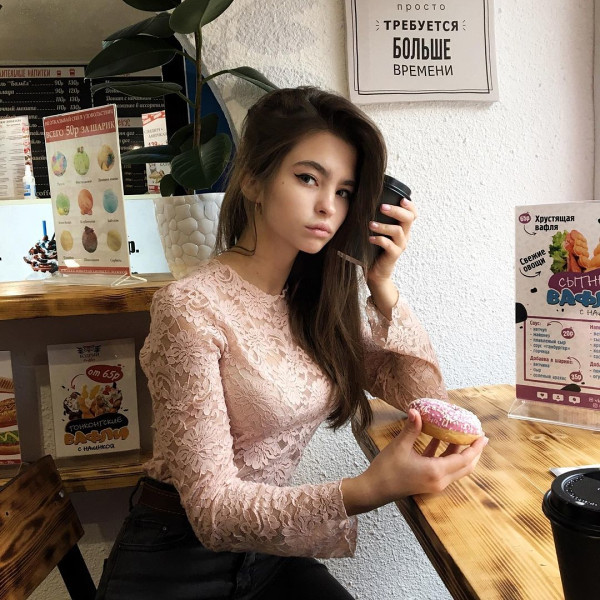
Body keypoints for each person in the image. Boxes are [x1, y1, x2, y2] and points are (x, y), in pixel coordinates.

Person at [95, 86, 487, 600]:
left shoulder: (315, 300)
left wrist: (382, 283)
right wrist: (369, 489)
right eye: (308, 178)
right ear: (253, 180)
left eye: (345, 191)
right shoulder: (189, 308)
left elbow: (425, 398)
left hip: (267, 551)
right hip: (177, 563)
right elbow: (212, 512)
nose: (328, 207)